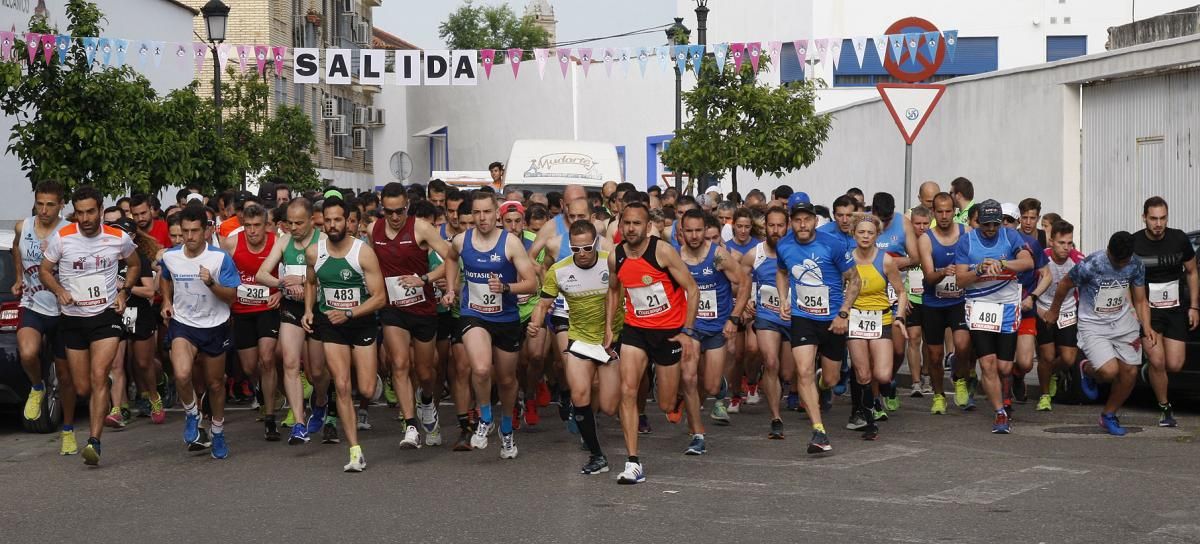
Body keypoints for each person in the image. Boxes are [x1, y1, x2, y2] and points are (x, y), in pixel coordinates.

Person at [39, 186, 139, 466]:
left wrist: (124, 292)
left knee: (97, 375)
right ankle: (102, 387)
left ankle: (94, 442)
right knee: (83, 387)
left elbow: (133, 265)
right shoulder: (63, 237)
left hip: (105, 316)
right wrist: (59, 291)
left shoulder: (117, 238)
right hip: (73, 319)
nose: (85, 218)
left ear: (100, 209)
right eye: (80, 212)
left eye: (91, 212)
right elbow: (45, 271)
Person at [606, 201, 700, 484]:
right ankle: (633, 462)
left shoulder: (661, 251)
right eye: (627, 223)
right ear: (620, 225)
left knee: (665, 404)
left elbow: (692, 289)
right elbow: (613, 290)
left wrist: (687, 330)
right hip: (635, 330)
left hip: (668, 331)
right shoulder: (616, 256)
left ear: (648, 227)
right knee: (628, 391)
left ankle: (677, 399)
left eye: (637, 223)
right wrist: (611, 327)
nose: (631, 228)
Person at [301, 197, 387, 471]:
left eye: (338, 219)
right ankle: (355, 451)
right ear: (322, 222)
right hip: (331, 324)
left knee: (367, 389)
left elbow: (380, 298)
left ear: (349, 221)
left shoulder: (363, 253)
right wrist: (309, 310)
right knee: (341, 385)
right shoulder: (314, 253)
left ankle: (369, 373)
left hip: (360, 323)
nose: (332, 224)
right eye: (327, 220)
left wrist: (350, 312)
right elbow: (311, 282)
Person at [529, 219, 620, 475]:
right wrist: (535, 324)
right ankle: (596, 455)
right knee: (580, 395)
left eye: (586, 248)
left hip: (609, 340)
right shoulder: (559, 270)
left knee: (610, 406)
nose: (581, 254)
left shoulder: (610, 261)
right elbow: (543, 303)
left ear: (596, 244)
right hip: (579, 338)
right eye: (575, 249)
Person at [372, 182, 459, 449]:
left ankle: (427, 404)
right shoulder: (373, 230)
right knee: (399, 364)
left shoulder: (420, 227)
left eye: (399, 211)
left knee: (425, 373)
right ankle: (410, 425)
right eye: (389, 212)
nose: (395, 217)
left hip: (422, 309)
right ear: (382, 208)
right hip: (393, 309)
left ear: (407, 207)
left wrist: (426, 278)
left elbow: (451, 257)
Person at [452, 192, 538, 459]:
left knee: (507, 379)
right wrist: (452, 287)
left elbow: (532, 283)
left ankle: (506, 429)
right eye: (476, 213)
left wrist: (506, 287)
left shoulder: (510, 243)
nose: (481, 218)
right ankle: (485, 417)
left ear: (496, 214)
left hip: (506, 318)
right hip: (473, 314)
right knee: (479, 367)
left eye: (487, 212)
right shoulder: (461, 240)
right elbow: (448, 258)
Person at [1045, 231, 1154, 436]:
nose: (1121, 265)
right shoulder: (1091, 265)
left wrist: (1147, 327)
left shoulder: (1136, 264)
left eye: (1125, 261)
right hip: (1093, 325)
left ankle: (1109, 415)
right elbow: (1065, 285)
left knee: (1130, 373)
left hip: (1123, 323)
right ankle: (1086, 369)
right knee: (1109, 372)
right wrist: (1054, 311)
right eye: (1117, 261)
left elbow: (1140, 300)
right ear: (1108, 251)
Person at [775, 192, 859, 454]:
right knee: (803, 371)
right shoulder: (784, 245)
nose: (802, 225)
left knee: (832, 378)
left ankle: (824, 386)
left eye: (807, 220)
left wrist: (843, 313)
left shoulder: (832, 244)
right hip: (803, 317)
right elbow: (781, 271)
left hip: (833, 319)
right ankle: (819, 431)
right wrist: (783, 299)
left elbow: (855, 280)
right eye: (797, 220)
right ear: (791, 221)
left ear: (814, 220)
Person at [159, 204, 239, 460]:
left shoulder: (219, 258)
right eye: (185, 231)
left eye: (195, 231)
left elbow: (232, 298)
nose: (190, 237)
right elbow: (165, 276)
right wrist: (166, 302)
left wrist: (212, 283)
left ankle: (217, 431)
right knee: (182, 374)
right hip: (184, 324)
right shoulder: (171, 256)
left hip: (215, 325)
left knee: (216, 385)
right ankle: (192, 414)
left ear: (206, 231)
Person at [953, 199, 1034, 434]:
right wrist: (977, 270)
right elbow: (960, 280)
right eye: (986, 224)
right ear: (977, 222)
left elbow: (1028, 262)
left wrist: (1002, 263)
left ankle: (1007, 385)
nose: (990, 229)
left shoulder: (1010, 236)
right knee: (988, 364)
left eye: (994, 225)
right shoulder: (966, 241)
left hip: (1007, 305)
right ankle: (1000, 413)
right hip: (980, 306)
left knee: (1005, 366)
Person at [255, 197, 330, 445]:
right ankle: (299, 423)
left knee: (316, 372)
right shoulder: (284, 241)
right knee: (289, 362)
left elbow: (330, 278)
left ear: (311, 220)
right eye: (290, 222)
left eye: (299, 223)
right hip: (291, 308)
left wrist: (306, 283)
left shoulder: (324, 241)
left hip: (319, 308)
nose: (294, 227)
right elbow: (261, 273)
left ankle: (320, 401)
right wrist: (282, 283)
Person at [14, 181, 73, 453]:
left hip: (63, 311)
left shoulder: (68, 232)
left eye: (51, 204)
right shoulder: (23, 226)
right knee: (27, 353)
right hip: (33, 303)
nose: (44, 210)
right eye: (40, 203)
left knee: (65, 376)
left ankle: (69, 430)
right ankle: (37, 388)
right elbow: (17, 248)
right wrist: (18, 277)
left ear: (61, 205)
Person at [678, 209, 749, 428]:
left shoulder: (718, 255)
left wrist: (734, 318)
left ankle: (719, 388)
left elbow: (744, 282)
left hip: (717, 326)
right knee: (689, 377)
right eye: (689, 231)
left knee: (710, 385)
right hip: (690, 327)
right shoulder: (676, 257)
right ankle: (696, 431)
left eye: (698, 230)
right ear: (681, 232)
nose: (694, 235)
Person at [1132, 196, 1196, 427]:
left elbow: (1192, 272)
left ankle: (1149, 368)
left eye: (1163, 218)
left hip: (1176, 308)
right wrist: (1132, 308)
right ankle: (1165, 408)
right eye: (1153, 219)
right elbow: (1127, 278)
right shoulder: (1134, 243)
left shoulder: (1179, 239)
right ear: (1144, 218)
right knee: (1158, 360)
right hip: (1148, 309)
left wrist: (1194, 307)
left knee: (1175, 364)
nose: (1158, 224)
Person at [220, 203, 282, 441]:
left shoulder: (277, 243)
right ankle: (264, 389)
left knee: (267, 358)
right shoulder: (232, 244)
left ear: (266, 225)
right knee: (249, 367)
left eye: (257, 226)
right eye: (248, 226)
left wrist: (281, 292)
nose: (253, 231)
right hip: (242, 311)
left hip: (268, 308)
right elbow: (221, 271)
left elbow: (287, 271)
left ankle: (270, 418)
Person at [844, 213, 909, 440]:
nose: (865, 236)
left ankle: (876, 400)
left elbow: (901, 291)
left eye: (870, 233)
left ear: (876, 236)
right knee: (863, 374)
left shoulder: (886, 260)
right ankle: (868, 418)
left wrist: (899, 317)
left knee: (881, 374)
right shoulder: (846, 259)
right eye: (861, 232)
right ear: (854, 233)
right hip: (855, 320)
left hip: (881, 319)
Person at [740, 206, 795, 439]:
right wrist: (744, 303)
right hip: (766, 316)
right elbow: (740, 283)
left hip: (794, 319)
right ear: (765, 227)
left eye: (780, 225)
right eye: (771, 225)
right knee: (770, 363)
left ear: (787, 226)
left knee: (789, 373)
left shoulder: (798, 251)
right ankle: (775, 418)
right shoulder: (755, 254)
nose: (776, 230)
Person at [917, 193, 971, 414]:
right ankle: (939, 396)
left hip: (959, 300)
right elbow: (928, 277)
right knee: (935, 356)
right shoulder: (926, 239)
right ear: (934, 213)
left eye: (949, 211)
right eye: (940, 211)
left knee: (963, 345)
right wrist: (942, 272)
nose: (945, 216)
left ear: (954, 211)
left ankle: (959, 378)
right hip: (933, 302)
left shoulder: (965, 232)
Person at [1031, 220, 1083, 411]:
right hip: (1043, 310)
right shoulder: (1040, 259)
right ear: (1051, 241)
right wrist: (1039, 310)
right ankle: (1044, 396)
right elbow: (1029, 290)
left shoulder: (1078, 260)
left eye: (1069, 243)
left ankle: (1051, 372)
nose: (1066, 248)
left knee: (1069, 358)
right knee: (1047, 355)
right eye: (1062, 243)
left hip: (1067, 310)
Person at [904, 206, 933, 397]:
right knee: (914, 338)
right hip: (911, 297)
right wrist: (902, 296)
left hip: (931, 297)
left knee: (930, 341)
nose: (921, 227)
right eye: (917, 223)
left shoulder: (933, 242)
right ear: (911, 223)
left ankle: (927, 376)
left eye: (925, 223)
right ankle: (915, 382)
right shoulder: (906, 243)